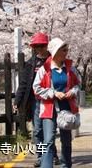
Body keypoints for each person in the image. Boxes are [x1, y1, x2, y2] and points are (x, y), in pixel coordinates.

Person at [13, 32, 60, 167]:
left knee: (50, 131)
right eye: (36, 47)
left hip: (51, 101)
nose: (39, 49)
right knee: (37, 130)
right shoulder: (30, 64)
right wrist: (17, 101)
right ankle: (41, 156)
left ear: (47, 46)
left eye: (42, 46)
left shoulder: (54, 60)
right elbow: (23, 84)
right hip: (35, 101)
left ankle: (52, 154)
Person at [33, 38, 81, 168]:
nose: (66, 52)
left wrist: (73, 91)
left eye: (66, 49)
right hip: (49, 109)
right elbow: (36, 88)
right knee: (48, 140)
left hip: (66, 108)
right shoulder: (45, 69)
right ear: (55, 51)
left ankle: (66, 165)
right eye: (63, 50)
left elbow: (78, 85)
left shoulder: (70, 68)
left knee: (66, 141)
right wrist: (53, 93)